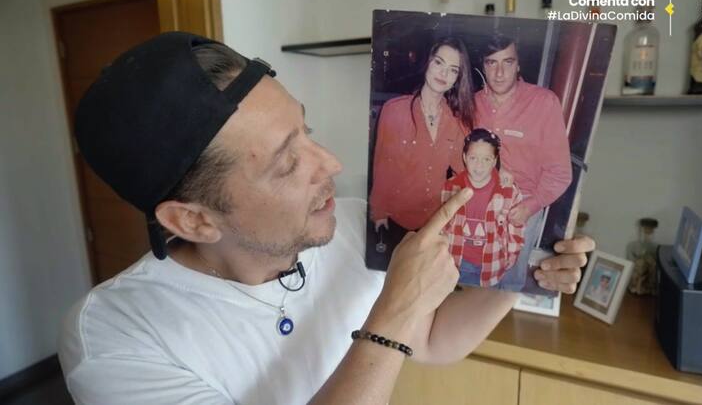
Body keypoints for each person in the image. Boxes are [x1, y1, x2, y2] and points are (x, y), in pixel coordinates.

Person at [58, 31, 593, 405]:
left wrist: (516, 280)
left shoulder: (355, 227)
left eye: (306, 131)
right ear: (194, 221)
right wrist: (390, 313)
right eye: (288, 162)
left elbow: (431, 340)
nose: (332, 165)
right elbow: (400, 325)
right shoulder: (114, 338)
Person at [474, 34, 573, 291]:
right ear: (482, 65)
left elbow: (560, 172)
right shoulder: (473, 103)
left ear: (518, 65)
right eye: (491, 63)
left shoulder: (543, 102)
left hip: (521, 207)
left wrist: (530, 206)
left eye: (507, 62)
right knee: (471, 280)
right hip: (477, 205)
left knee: (507, 285)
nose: (499, 73)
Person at [369, 37, 475, 249]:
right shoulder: (395, 110)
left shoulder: (457, 123)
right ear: (427, 62)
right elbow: (383, 166)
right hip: (395, 221)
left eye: (453, 70)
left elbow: (466, 171)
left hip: (435, 223)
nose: (444, 74)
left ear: (458, 78)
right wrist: (379, 214)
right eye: (439, 63)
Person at [441, 128, 525, 288]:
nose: (479, 165)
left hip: (491, 265)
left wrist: (511, 256)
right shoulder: (450, 186)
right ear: (464, 157)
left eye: (486, 159)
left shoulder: (509, 192)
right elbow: (442, 226)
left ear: (494, 161)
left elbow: (516, 227)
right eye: (473, 158)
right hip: (454, 263)